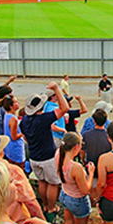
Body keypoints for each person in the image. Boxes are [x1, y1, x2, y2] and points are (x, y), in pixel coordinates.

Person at [19, 82, 72, 215]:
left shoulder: (24, 120)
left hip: (34, 156)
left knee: (42, 181)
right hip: (47, 156)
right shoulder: (43, 119)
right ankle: (52, 207)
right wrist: (56, 89)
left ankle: (45, 205)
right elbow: (64, 108)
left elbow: (25, 137)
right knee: (53, 183)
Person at [56, 131, 95, 224]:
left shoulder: (58, 155)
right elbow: (85, 190)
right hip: (77, 200)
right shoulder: (75, 167)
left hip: (65, 194)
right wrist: (91, 173)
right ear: (76, 147)